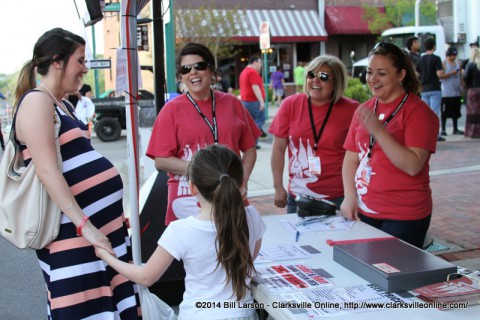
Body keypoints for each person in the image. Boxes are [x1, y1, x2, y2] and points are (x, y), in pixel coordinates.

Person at [12, 28, 139, 319]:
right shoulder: (36, 101)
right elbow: (47, 170)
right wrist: (86, 226)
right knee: (86, 309)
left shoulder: (64, 104)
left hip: (97, 230)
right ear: (58, 62)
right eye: (80, 61)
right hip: (72, 234)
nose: (84, 68)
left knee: (110, 307)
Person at [96, 144, 266, 320]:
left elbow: (146, 278)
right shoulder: (252, 217)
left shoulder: (181, 230)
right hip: (243, 314)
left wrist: (107, 257)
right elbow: (249, 259)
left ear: (192, 187)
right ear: (238, 182)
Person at [147, 42, 261, 226]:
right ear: (181, 77)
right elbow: (161, 160)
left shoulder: (232, 103)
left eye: (199, 66)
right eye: (186, 69)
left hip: (229, 196)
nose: (193, 72)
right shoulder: (171, 110)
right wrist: (203, 171)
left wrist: (242, 180)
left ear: (211, 70)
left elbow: (250, 149)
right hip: (187, 201)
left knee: (234, 251)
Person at [341, 42, 439, 249]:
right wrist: (349, 196)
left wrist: (378, 131)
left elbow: (413, 165)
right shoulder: (365, 109)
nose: (372, 79)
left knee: (394, 274)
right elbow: (351, 158)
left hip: (404, 215)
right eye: (369, 72)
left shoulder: (418, 112)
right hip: (364, 209)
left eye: (382, 73)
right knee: (367, 272)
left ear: (401, 75)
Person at [269, 55, 359, 213]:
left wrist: (352, 196)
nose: (315, 81)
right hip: (298, 197)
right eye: (311, 75)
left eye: (323, 77)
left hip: (338, 197)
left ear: (336, 82)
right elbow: (277, 149)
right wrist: (278, 187)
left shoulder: (352, 110)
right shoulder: (290, 105)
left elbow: (360, 155)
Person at [416, 38, 445, 141]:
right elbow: (439, 74)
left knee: (425, 114)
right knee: (434, 113)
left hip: (424, 89)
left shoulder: (420, 59)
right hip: (435, 88)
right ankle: (435, 134)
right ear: (434, 46)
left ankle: (426, 133)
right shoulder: (436, 58)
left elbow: (417, 74)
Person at [239, 56, 267, 142]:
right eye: (259, 63)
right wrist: (261, 101)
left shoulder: (243, 72)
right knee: (260, 119)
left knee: (251, 121)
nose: (261, 66)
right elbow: (255, 87)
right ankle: (253, 136)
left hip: (245, 101)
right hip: (253, 101)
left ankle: (253, 141)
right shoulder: (252, 72)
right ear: (254, 63)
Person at [440, 46, 463, 136]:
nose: (453, 57)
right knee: (445, 112)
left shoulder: (458, 63)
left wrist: (462, 85)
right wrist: (451, 74)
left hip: (456, 91)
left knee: (456, 112)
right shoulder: (444, 63)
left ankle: (455, 128)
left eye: (455, 55)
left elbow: (461, 75)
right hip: (446, 92)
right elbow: (441, 76)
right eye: (452, 55)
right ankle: (443, 129)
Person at [463, 47, 480, 138]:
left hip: (473, 90)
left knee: (472, 111)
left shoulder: (470, 64)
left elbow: (465, 76)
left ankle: (472, 131)